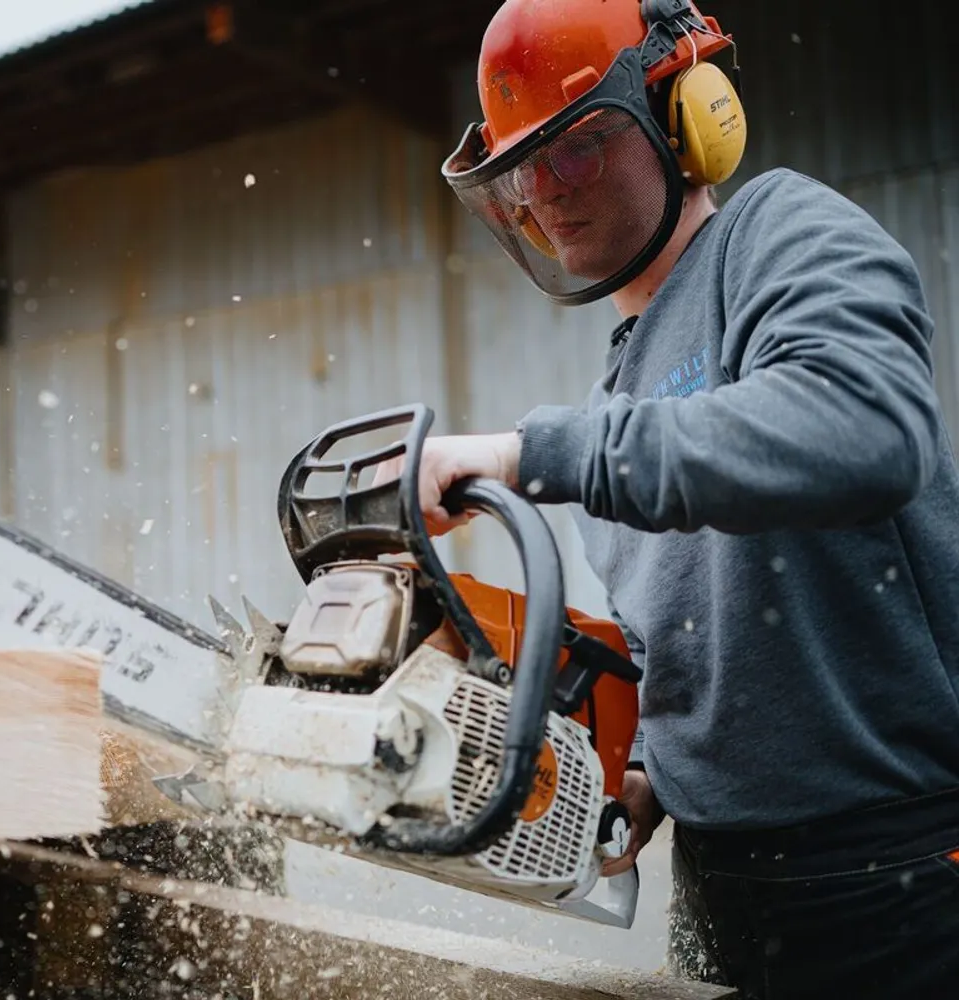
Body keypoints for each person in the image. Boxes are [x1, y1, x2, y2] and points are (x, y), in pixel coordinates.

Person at [375, 1, 959, 997]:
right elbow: (690, 629)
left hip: (894, 875)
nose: (545, 194)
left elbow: (864, 429)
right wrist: (652, 767)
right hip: (727, 884)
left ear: (685, 115)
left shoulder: (779, 235)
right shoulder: (618, 395)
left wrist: (529, 454)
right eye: (522, 170)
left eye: (579, 150)